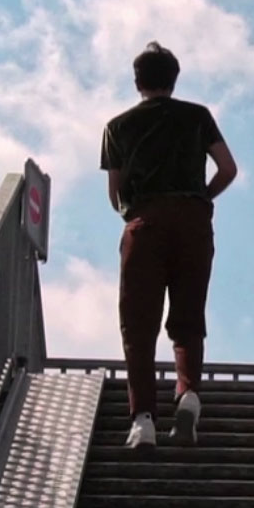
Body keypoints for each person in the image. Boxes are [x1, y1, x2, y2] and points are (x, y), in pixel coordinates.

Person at [100, 42, 238, 451]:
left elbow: (116, 194)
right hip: (193, 221)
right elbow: (228, 168)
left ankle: (143, 421)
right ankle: (188, 394)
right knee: (188, 317)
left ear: (137, 81)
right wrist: (202, 197)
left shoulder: (118, 127)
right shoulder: (197, 117)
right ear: (173, 79)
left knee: (138, 326)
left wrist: (138, 210)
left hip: (146, 223)